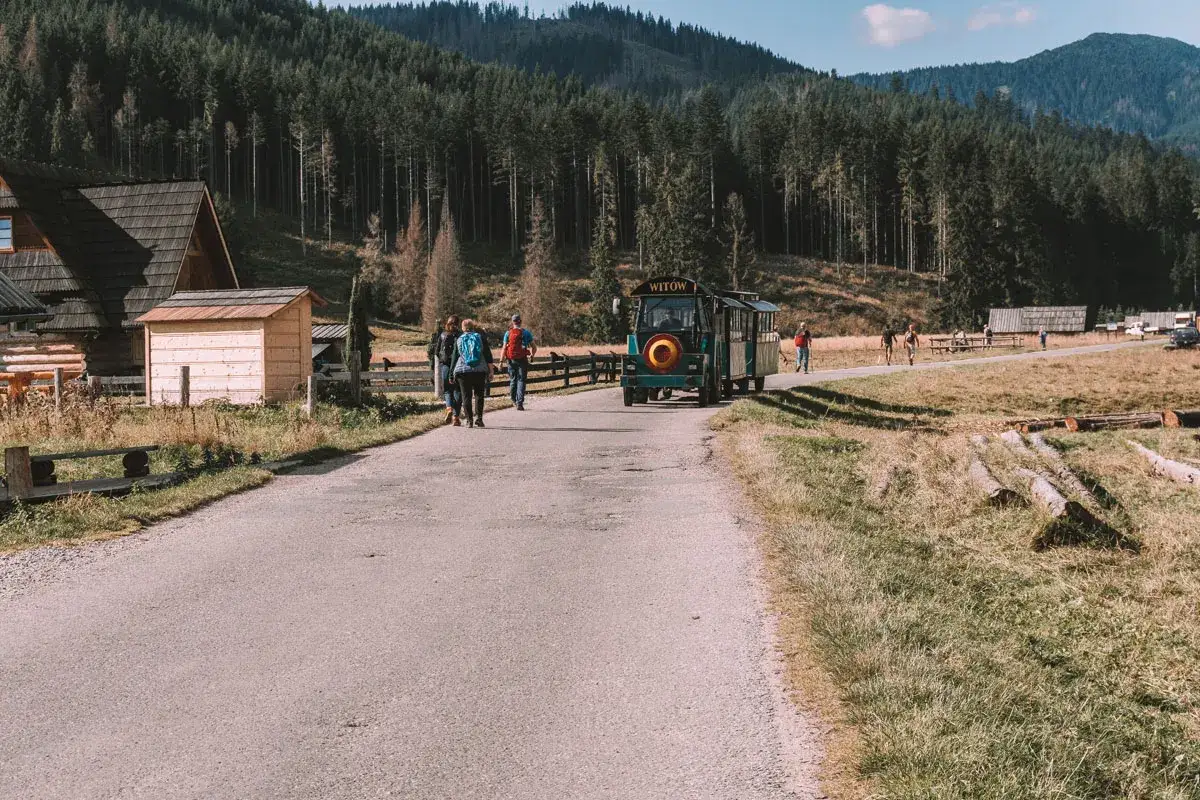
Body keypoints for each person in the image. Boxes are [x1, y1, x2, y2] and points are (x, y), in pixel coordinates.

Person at [451, 318, 495, 428]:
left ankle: (469, 421)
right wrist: (491, 371)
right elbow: (488, 355)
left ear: (463, 328)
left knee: (466, 396)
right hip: (479, 370)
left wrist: (451, 373)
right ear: (473, 327)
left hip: (463, 370)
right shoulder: (480, 338)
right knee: (479, 395)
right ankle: (479, 419)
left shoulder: (459, 339)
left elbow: (455, 357)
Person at [431, 315, 463, 426]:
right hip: (458, 366)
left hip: (445, 366)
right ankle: (456, 417)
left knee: (447, 390)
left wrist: (441, 361)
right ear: (458, 324)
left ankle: (449, 408)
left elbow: (436, 352)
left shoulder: (442, 335)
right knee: (458, 391)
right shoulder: (460, 336)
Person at [502, 314, 537, 411]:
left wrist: (501, 361)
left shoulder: (508, 333)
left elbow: (504, 348)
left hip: (511, 360)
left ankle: (513, 399)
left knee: (513, 379)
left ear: (512, 322)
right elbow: (534, 347)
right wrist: (532, 356)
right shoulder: (526, 333)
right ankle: (519, 403)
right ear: (520, 321)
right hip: (522, 359)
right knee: (521, 380)